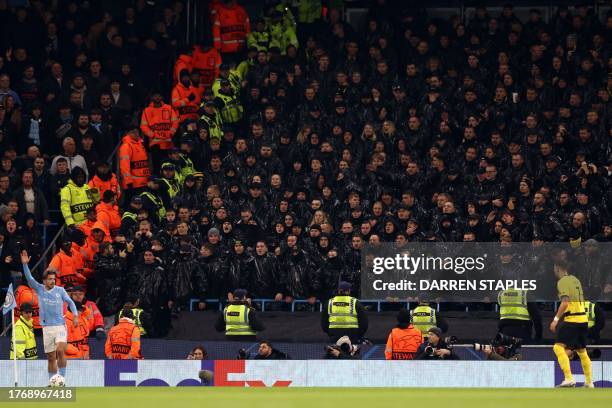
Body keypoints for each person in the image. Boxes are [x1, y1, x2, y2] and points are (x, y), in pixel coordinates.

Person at [21, 250, 79, 383]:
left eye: (54, 279)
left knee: (60, 350)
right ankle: (52, 381)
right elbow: (30, 278)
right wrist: (25, 265)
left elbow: (70, 302)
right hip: (46, 327)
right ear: (44, 280)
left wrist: (75, 315)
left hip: (60, 326)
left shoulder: (60, 290)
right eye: (50, 279)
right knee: (51, 357)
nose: (53, 281)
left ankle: (62, 379)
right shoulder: (40, 289)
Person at [550, 260, 593, 387]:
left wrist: (556, 319)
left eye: (554, 269)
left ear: (558, 268)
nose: (554, 271)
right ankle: (589, 382)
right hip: (583, 320)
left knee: (558, 347)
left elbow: (565, 302)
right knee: (581, 350)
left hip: (572, 320)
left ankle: (568, 378)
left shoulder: (562, 282)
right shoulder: (575, 279)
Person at [118, 128, 150, 199]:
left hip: (143, 181)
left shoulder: (141, 144)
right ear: (128, 133)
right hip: (133, 184)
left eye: (137, 132)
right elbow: (124, 166)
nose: (136, 134)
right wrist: (128, 182)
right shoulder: (126, 146)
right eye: (133, 132)